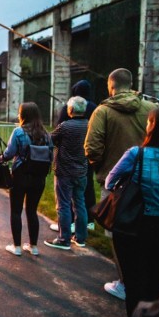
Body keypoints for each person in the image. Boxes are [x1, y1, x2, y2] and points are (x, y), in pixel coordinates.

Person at [84, 68, 157, 301]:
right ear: (131, 83)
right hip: (149, 179)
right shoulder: (149, 109)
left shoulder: (103, 111)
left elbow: (92, 147)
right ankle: (147, 281)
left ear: (110, 86)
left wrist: (102, 168)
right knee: (145, 230)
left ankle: (125, 284)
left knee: (118, 233)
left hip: (115, 183)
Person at [105, 105, 159, 317]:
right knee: (156, 279)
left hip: (133, 225)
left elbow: (109, 181)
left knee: (134, 283)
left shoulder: (137, 154)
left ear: (153, 126)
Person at [2, 102, 53, 257]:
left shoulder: (19, 132)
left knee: (16, 211)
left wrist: (2, 158)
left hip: (20, 175)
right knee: (32, 211)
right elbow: (50, 155)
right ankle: (33, 246)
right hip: (39, 177)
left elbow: (9, 153)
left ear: (23, 115)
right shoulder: (46, 134)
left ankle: (17, 246)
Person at [50, 79, 98, 233]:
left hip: (66, 161)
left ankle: (66, 227)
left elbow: (53, 137)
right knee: (83, 196)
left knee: (64, 199)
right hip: (85, 158)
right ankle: (85, 227)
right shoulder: (94, 110)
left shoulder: (66, 121)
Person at [44, 96, 89, 250]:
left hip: (64, 171)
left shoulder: (65, 126)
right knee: (80, 203)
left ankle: (64, 239)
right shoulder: (89, 125)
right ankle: (81, 237)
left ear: (70, 110)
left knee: (63, 205)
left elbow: (50, 139)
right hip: (81, 170)